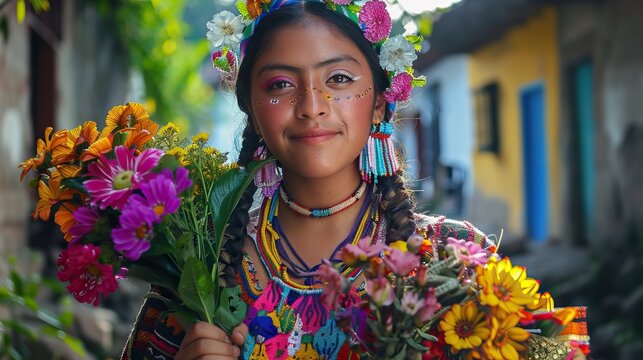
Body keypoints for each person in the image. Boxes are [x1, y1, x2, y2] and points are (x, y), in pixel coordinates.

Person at [120, 1, 588, 359]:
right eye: (280, 84)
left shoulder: (455, 261)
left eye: (339, 78)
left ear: (380, 103)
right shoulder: (195, 270)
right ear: (253, 112)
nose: (312, 104)